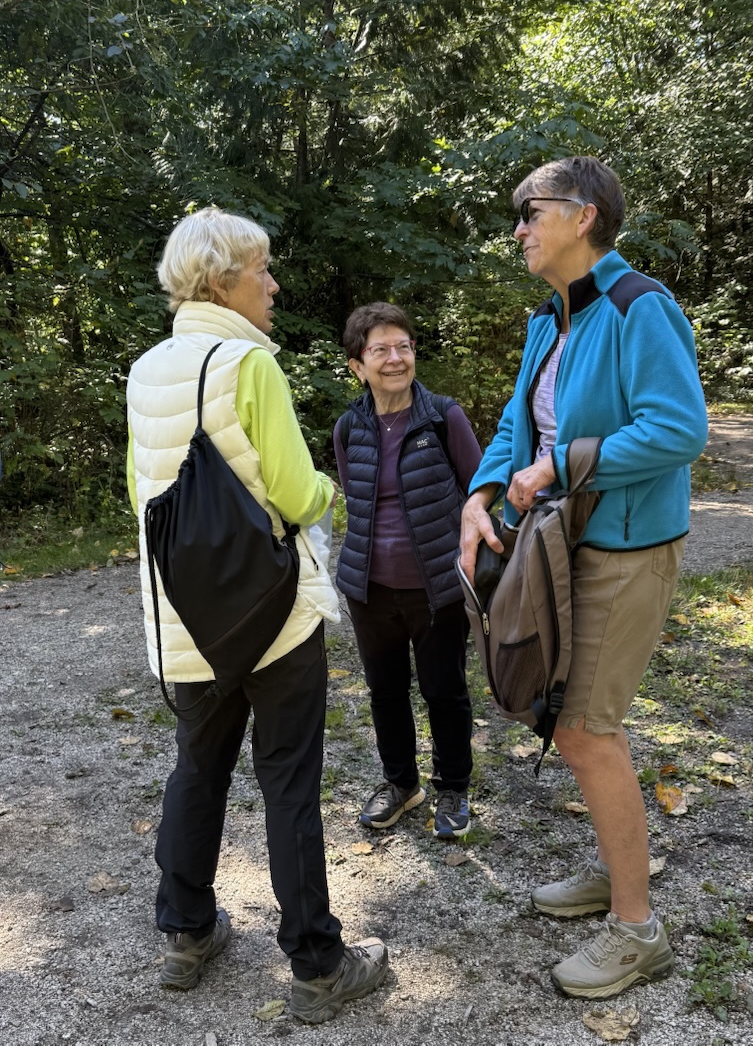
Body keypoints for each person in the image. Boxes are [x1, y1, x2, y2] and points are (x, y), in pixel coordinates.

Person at [126, 207, 387, 1024]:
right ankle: (317, 962)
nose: (273, 284)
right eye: (262, 269)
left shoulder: (143, 372)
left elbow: (145, 500)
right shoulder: (247, 362)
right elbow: (294, 489)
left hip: (186, 617)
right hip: (270, 614)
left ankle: (187, 932)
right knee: (289, 782)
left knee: (197, 770)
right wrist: (329, 495)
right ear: (220, 280)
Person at [459, 157, 707, 999]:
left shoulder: (642, 307)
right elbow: (513, 423)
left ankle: (638, 932)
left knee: (586, 729)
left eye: (531, 212)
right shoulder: (550, 319)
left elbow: (678, 430)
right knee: (569, 717)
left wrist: (560, 466)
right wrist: (483, 492)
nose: (519, 229)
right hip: (563, 543)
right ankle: (618, 867)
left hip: (625, 552)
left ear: (585, 215)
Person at [334, 302, 482, 838]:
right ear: (357, 363)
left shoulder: (445, 417)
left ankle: (452, 791)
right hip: (369, 588)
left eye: (404, 346)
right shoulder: (349, 427)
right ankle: (401, 784)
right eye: (380, 350)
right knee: (386, 691)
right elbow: (356, 497)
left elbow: (477, 493)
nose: (395, 358)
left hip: (437, 585)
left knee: (444, 689)